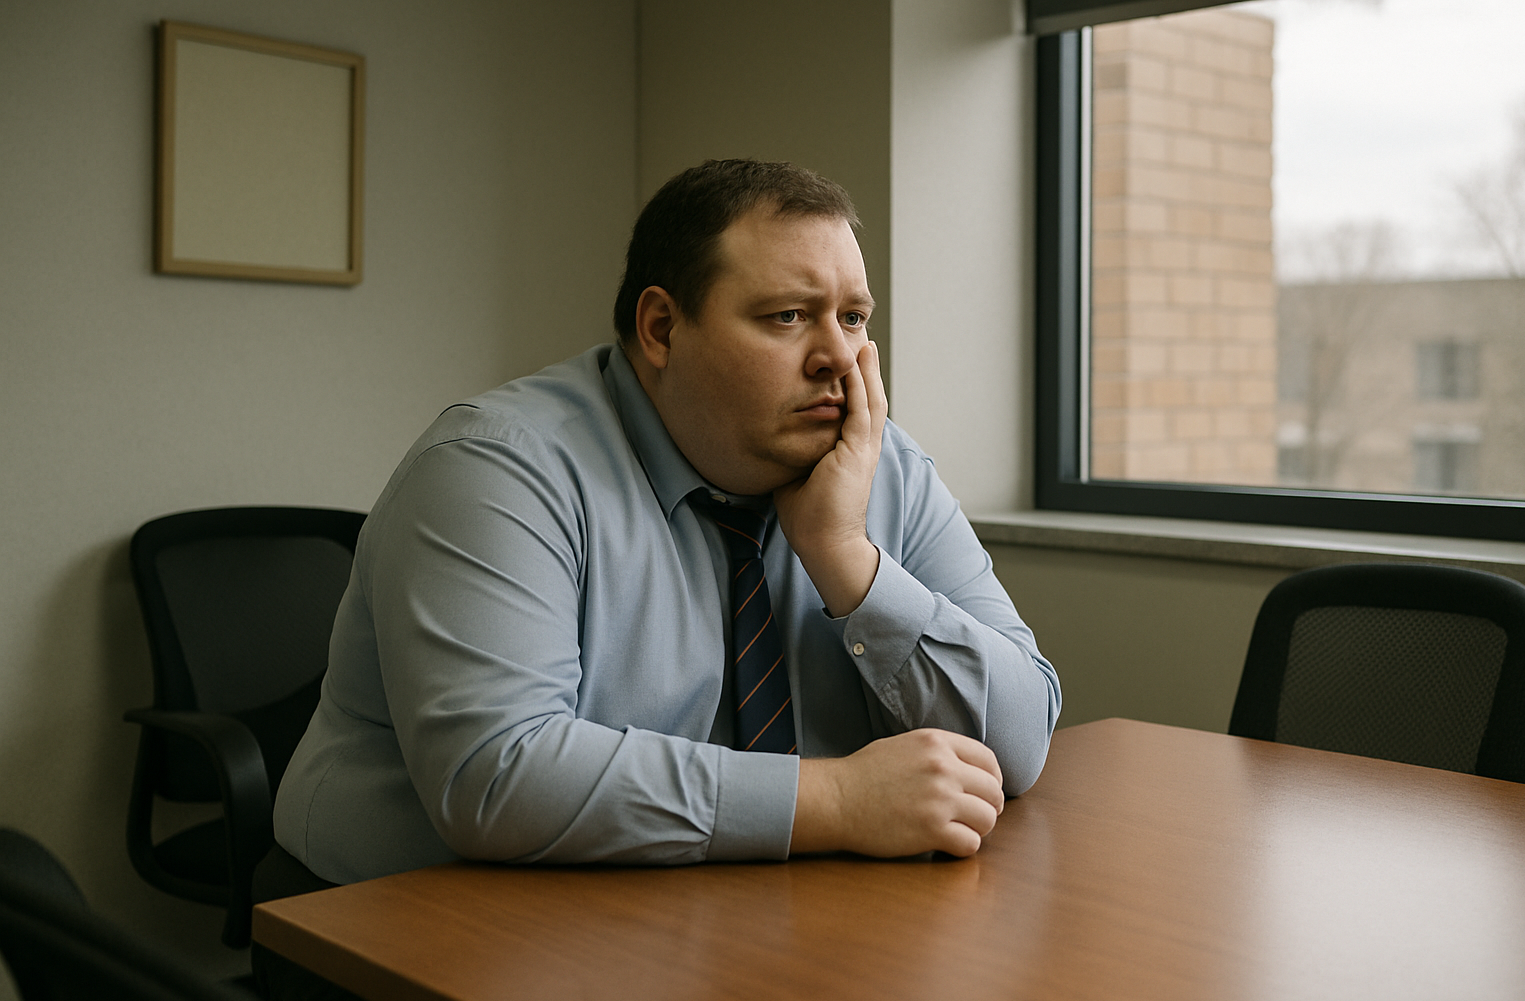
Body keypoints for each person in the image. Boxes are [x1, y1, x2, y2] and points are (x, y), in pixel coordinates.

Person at [271, 158, 1061, 886]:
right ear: (661, 329)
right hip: (398, 926)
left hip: (709, 913)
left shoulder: (881, 466)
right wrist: (838, 801)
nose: (835, 356)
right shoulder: (494, 466)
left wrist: (845, 557)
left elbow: (1020, 738)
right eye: (788, 316)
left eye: (853, 318)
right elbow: (496, 774)